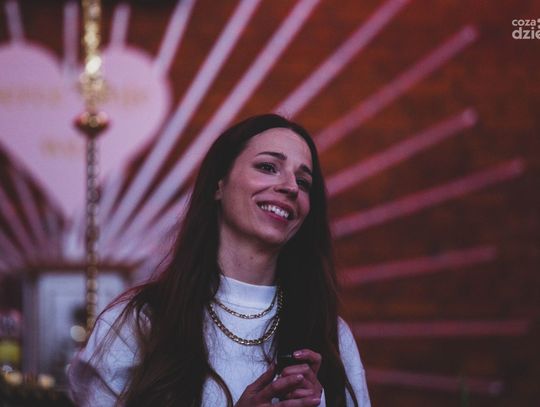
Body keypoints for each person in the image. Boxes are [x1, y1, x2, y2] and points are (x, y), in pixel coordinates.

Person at [68, 114, 370, 406]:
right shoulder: (138, 323)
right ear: (218, 184)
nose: (291, 187)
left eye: (303, 182)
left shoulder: (331, 336)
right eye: (268, 167)